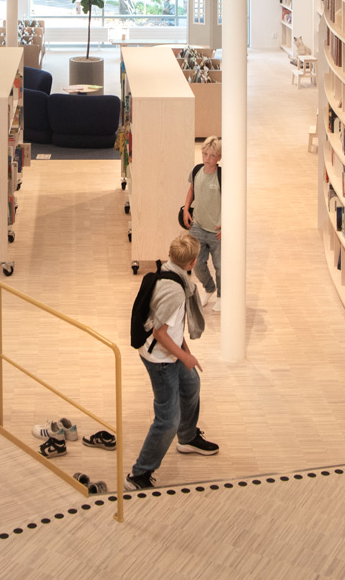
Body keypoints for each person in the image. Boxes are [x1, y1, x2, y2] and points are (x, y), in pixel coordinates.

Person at [126, 232, 218, 492]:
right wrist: (185, 356)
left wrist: (185, 351)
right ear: (193, 262)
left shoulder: (169, 273)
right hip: (160, 360)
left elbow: (173, 329)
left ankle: (187, 438)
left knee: (191, 385)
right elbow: (160, 333)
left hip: (170, 353)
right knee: (167, 420)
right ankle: (139, 474)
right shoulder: (175, 292)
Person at [182, 136, 223, 313]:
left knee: (220, 266)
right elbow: (191, 190)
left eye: (212, 155)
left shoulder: (222, 176)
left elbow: (232, 201)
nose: (207, 158)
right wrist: (186, 209)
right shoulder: (196, 171)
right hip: (197, 226)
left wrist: (227, 224)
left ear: (219, 157)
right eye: (205, 154)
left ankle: (221, 296)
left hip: (216, 230)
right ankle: (209, 288)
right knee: (196, 263)